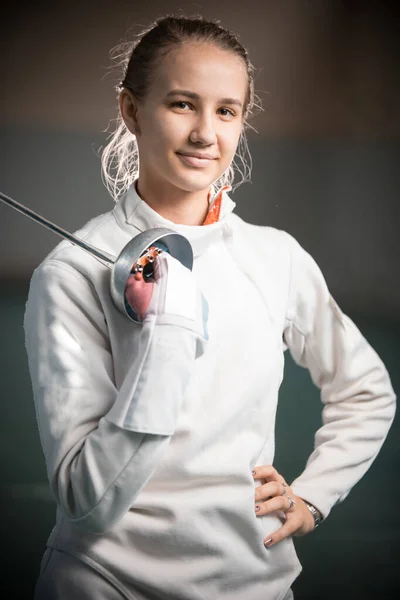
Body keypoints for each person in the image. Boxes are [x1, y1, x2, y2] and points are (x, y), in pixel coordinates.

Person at [24, 14, 396, 600]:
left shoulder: (274, 257)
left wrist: (314, 496)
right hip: (103, 583)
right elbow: (85, 500)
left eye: (226, 111)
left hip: (256, 581)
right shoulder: (71, 274)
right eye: (181, 104)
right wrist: (168, 336)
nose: (205, 133)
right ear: (131, 111)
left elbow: (367, 390)